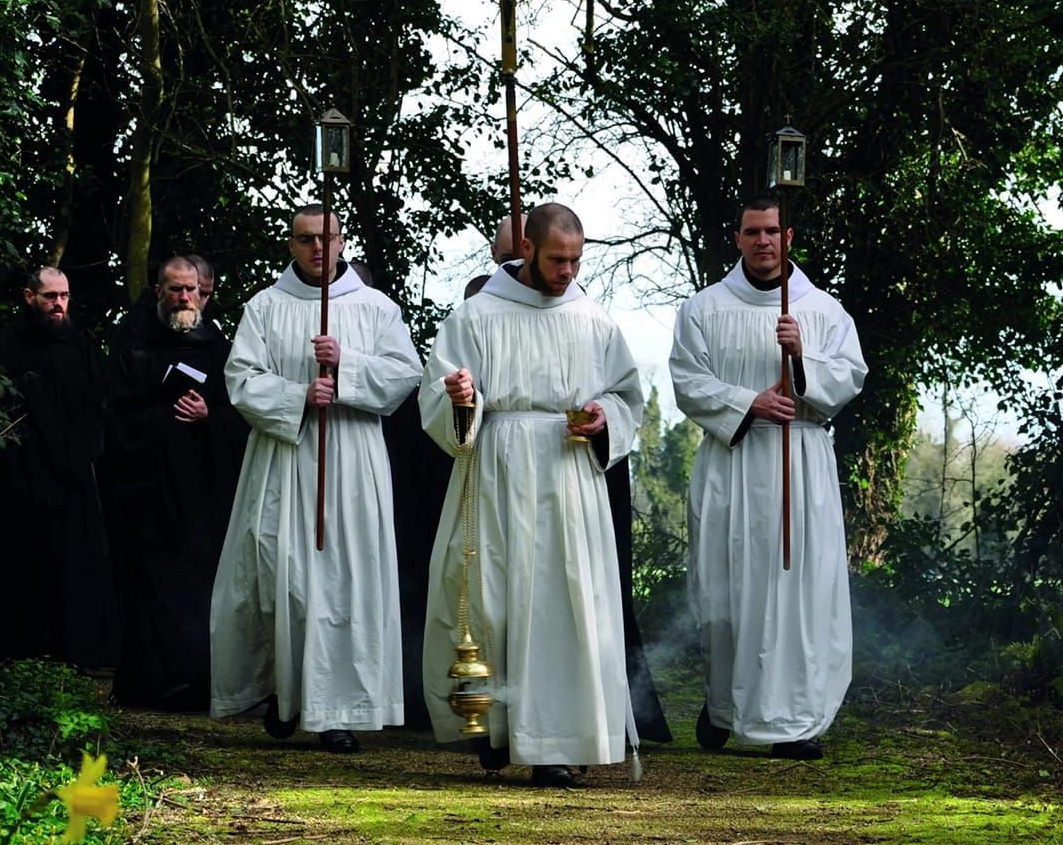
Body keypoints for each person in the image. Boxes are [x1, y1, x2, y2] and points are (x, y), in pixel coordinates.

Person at [420, 203, 644, 788]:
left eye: (575, 260)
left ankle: (557, 743)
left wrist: (603, 419)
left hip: (568, 478)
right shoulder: (476, 316)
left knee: (565, 605)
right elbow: (438, 403)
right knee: (494, 597)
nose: (567, 271)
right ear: (529, 247)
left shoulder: (593, 320)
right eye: (556, 259)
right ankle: (495, 728)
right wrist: (462, 397)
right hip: (496, 466)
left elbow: (627, 395)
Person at [210, 205, 422, 754]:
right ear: (290, 245)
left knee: (345, 579)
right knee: (284, 575)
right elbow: (240, 377)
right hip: (285, 456)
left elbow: (405, 375)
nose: (316, 249)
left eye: (325, 238)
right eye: (305, 240)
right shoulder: (264, 307)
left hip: (351, 461)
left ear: (341, 239)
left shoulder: (376, 308)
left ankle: (340, 709)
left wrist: (345, 364)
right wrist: (297, 395)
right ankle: (286, 694)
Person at [668, 197, 867, 760]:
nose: (763, 241)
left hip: (798, 465)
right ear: (737, 237)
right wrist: (748, 401)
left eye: (773, 231)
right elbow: (686, 380)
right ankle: (725, 705)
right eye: (753, 231)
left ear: (789, 236)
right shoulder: (703, 309)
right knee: (728, 589)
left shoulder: (823, 310)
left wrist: (802, 358)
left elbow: (850, 376)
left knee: (796, 591)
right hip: (733, 464)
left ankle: (794, 719)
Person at [106, 256, 246, 710]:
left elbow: (242, 419)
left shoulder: (222, 352)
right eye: (174, 289)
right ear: (159, 292)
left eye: (191, 289)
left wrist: (210, 417)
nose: (184, 297)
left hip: (203, 498)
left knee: (202, 588)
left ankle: (202, 684)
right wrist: (165, 415)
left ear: (203, 293)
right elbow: (115, 421)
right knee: (148, 591)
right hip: (147, 495)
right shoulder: (131, 350)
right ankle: (147, 685)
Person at [0, 267, 118, 666]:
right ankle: (19, 654)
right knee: (22, 566)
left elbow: (99, 405)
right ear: (29, 297)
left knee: (74, 568)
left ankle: (73, 653)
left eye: (64, 296)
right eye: (50, 297)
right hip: (21, 481)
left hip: (73, 477)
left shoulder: (80, 346)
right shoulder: (2, 348)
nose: (59, 304)